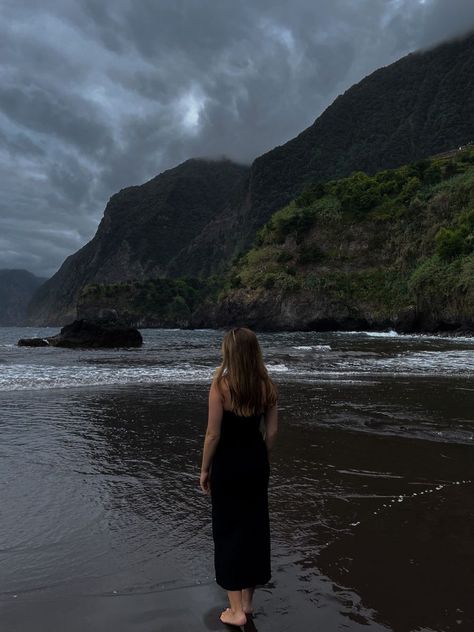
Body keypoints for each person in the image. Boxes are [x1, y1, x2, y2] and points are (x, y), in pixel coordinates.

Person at [200, 326, 278, 627]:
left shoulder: (221, 386)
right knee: (254, 530)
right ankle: (247, 603)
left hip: (227, 468)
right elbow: (271, 432)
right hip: (256, 466)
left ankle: (235, 610)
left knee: (228, 532)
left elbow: (213, 434)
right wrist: (261, 455)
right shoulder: (267, 386)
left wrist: (205, 469)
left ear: (229, 352)